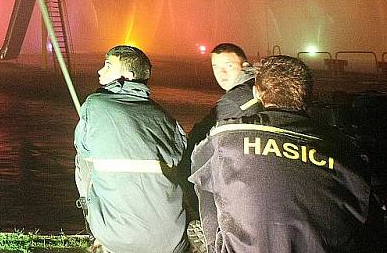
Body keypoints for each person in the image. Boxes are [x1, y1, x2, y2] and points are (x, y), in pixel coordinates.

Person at [189, 55, 375, 253]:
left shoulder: (224, 137)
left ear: (256, 93)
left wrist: (213, 245)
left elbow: (199, 176)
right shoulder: (344, 150)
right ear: (308, 96)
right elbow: (363, 216)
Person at [74, 45, 189, 253]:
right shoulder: (167, 119)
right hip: (172, 238)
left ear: (127, 75)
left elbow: (83, 148)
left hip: (116, 238)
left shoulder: (94, 104)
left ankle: (99, 236)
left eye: (108, 66)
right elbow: (180, 155)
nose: (100, 71)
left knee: (84, 159)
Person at [181, 43, 264, 220]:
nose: (222, 73)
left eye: (229, 66)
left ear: (245, 66)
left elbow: (208, 137)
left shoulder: (235, 100)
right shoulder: (255, 88)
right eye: (216, 67)